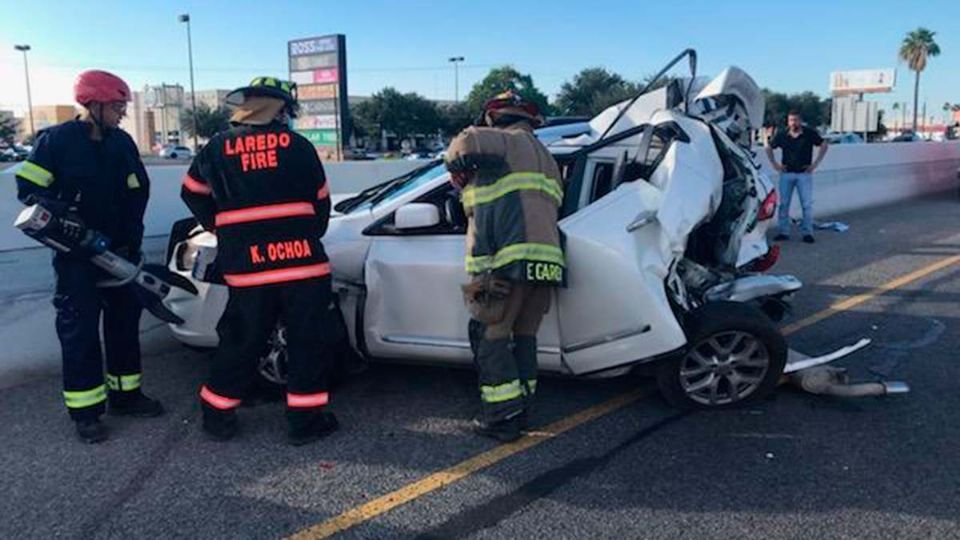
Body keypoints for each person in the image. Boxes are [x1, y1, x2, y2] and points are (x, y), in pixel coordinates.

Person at [181, 76, 339, 446]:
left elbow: (192, 194)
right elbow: (320, 202)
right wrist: (304, 234)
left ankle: (217, 415)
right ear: (278, 109)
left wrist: (223, 228)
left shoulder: (216, 148)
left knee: (241, 338)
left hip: (247, 267)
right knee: (307, 340)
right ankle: (305, 422)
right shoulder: (297, 146)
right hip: (302, 265)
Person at [15, 70, 163, 444]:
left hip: (120, 251)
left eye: (123, 107)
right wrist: (66, 217)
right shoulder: (56, 141)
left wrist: (130, 241)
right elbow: (29, 188)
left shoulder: (123, 143)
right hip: (76, 256)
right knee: (79, 329)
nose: (121, 114)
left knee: (124, 325)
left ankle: (126, 396)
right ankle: (86, 412)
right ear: (92, 103)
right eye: (116, 106)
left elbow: (137, 192)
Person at [444, 91, 564, 442]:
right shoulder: (546, 158)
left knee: (491, 335)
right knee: (523, 336)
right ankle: (522, 406)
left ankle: (501, 417)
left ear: (494, 118)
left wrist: (457, 171)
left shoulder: (505, 142)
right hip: (546, 262)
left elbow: (462, 145)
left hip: (506, 262)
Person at [766, 110, 829, 243]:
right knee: (783, 204)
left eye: (795, 120)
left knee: (806, 205)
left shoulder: (809, 133)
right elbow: (769, 147)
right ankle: (784, 232)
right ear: (788, 122)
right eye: (790, 120)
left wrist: (815, 164)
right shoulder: (782, 134)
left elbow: (824, 144)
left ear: (800, 121)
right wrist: (775, 164)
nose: (793, 123)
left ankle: (807, 233)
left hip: (804, 174)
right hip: (786, 174)